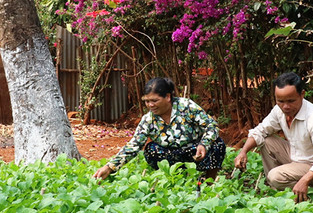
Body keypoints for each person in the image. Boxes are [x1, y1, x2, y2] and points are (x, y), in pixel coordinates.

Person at [93, 77, 226, 180]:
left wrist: (204, 144)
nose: (150, 105)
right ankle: (171, 179)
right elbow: (133, 145)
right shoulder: (148, 120)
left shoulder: (187, 106)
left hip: (195, 152)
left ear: (168, 97)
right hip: (171, 155)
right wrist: (109, 167)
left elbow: (211, 125)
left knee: (217, 145)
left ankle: (208, 182)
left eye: (154, 101)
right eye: (147, 101)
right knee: (151, 150)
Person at [234, 72, 313, 202]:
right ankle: (278, 190)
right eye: (280, 101)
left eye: (291, 101)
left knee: (275, 176)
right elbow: (260, 131)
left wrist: (305, 180)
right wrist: (243, 152)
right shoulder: (279, 110)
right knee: (266, 141)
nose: (285, 106)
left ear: (302, 94)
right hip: (297, 159)